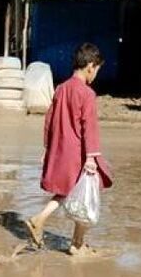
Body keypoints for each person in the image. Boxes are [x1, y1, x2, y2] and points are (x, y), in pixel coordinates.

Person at [26, 43, 113, 256]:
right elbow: (89, 127)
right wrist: (91, 157)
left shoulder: (61, 89)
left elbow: (49, 121)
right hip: (79, 152)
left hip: (61, 149)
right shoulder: (87, 94)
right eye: (98, 69)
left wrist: (47, 148)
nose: (97, 74)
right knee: (85, 195)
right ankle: (68, 238)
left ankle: (74, 241)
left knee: (68, 192)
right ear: (91, 66)